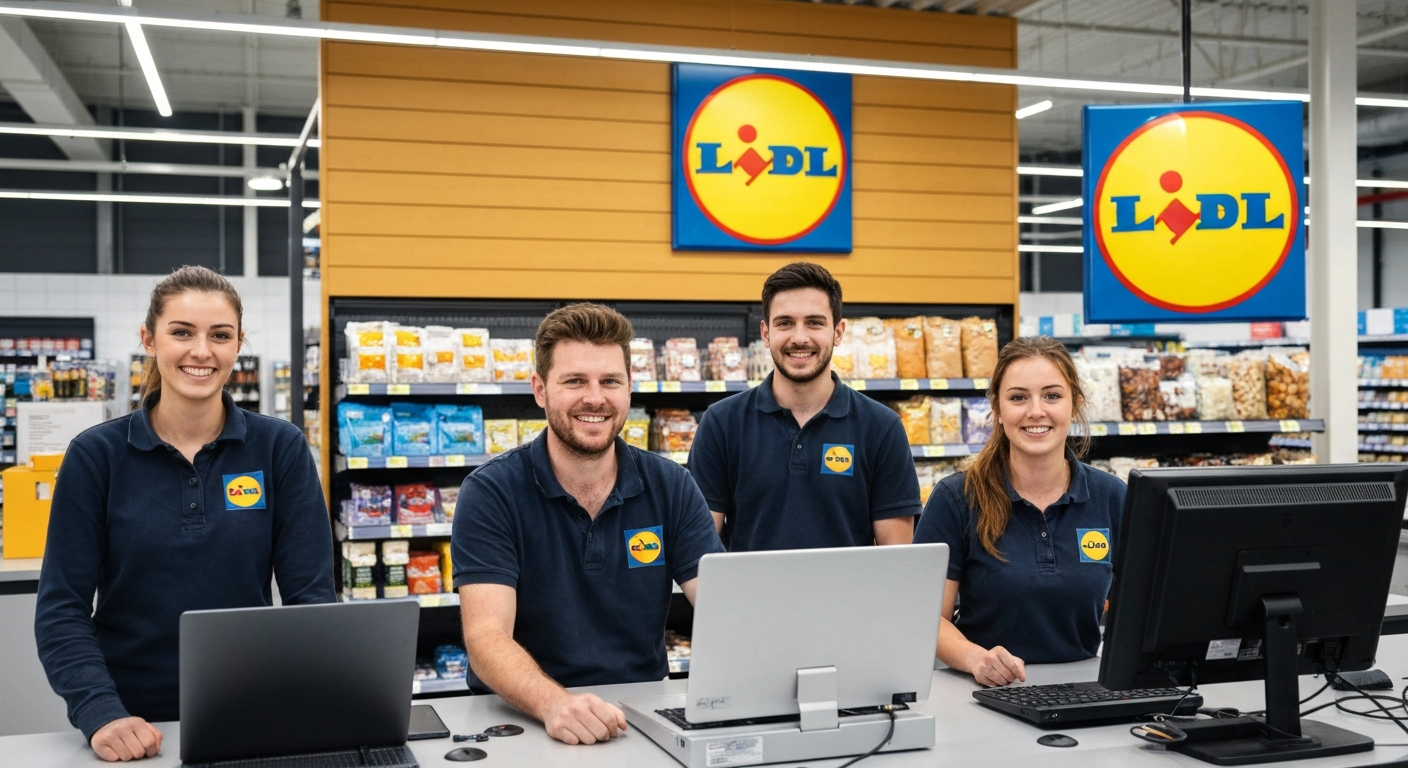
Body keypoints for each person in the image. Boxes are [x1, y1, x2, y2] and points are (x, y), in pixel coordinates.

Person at [34, 266, 335, 763]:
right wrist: (100, 712)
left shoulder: (279, 447)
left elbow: (312, 598)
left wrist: (309, 701)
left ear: (238, 345)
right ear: (149, 339)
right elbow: (61, 609)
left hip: (256, 714)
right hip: (132, 725)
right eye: (181, 332)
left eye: (220, 335)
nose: (202, 351)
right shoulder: (96, 456)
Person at [451, 303, 724, 746]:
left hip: (640, 718)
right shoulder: (492, 492)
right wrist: (554, 703)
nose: (595, 398)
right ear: (540, 389)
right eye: (575, 381)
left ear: (630, 389)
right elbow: (485, 637)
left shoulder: (672, 485)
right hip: (524, 720)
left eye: (610, 381)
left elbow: (724, 605)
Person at [914, 336, 1126, 687]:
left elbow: (1140, 612)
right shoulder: (956, 498)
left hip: (1088, 688)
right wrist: (976, 658)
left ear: (1075, 405)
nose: (1036, 411)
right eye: (1018, 398)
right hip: (982, 691)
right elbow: (924, 617)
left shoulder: (1111, 496)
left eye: (1052, 395)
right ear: (997, 409)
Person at [688, 262, 920, 551]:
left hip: (848, 598)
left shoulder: (882, 427)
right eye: (785, 323)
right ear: (765, 332)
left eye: (814, 322)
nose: (799, 338)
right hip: (750, 598)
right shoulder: (721, 423)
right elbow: (700, 547)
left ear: (838, 332)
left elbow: (896, 558)